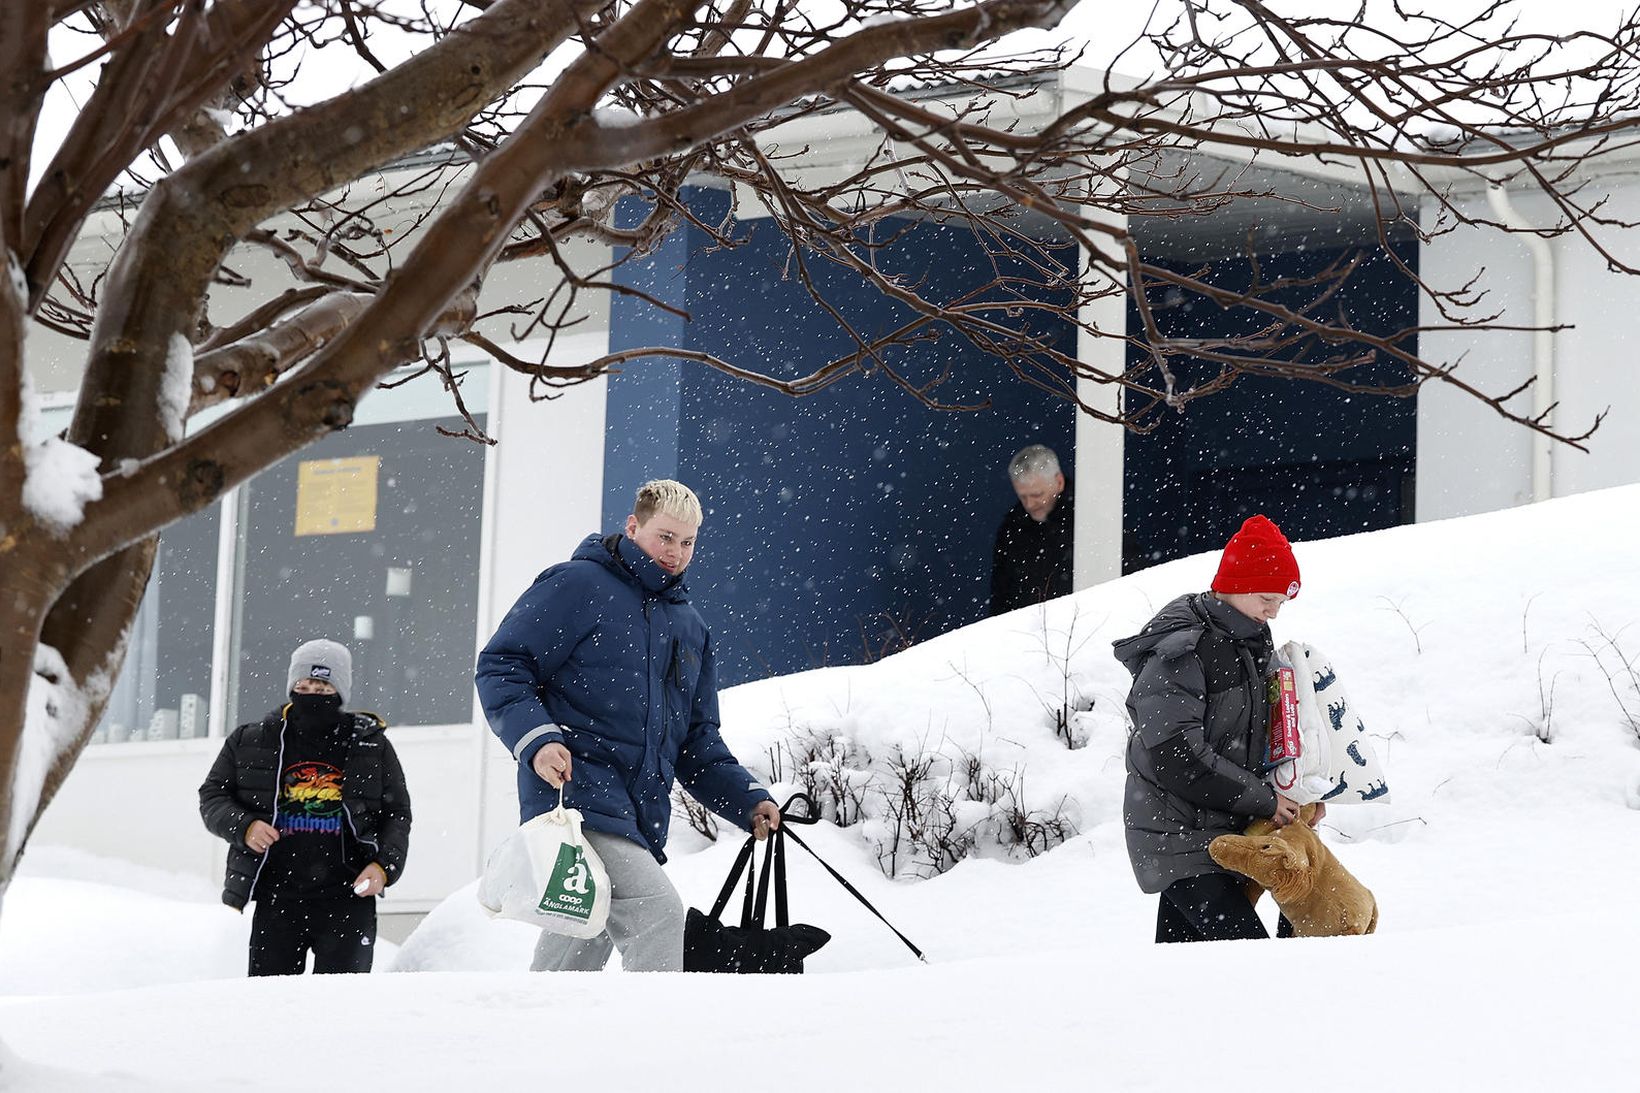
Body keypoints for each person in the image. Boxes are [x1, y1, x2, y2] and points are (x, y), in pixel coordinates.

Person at [475, 479, 780, 973]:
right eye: (664, 537)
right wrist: (537, 740)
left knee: (581, 936)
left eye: (688, 542)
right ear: (633, 526)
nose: (675, 552)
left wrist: (746, 799)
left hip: (639, 811)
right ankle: (654, 1037)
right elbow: (502, 666)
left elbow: (697, 741)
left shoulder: (691, 627)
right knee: (657, 917)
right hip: (576, 797)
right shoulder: (577, 585)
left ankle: (535, 1035)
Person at [1113, 514, 1323, 942]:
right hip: (1180, 835)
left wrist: (1299, 796)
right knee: (1248, 962)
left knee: (1189, 976)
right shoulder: (1181, 652)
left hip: (1226, 829)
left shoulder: (1251, 646)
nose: (1273, 611)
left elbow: (1266, 741)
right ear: (1236, 585)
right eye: (1267, 598)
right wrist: (1266, 800)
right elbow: (1177, 756)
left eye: (1281, 603)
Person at [199, 639, 412, 975]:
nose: (312, 693)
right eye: (305, 685)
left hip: (348, 899)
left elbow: (397, 813)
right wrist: (245, 826)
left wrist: (384, 868)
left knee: (341, 1008)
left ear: (339, 691)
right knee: (272, 1005)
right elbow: (212, 795)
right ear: (292, 686)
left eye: (323, 685)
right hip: (277, 898)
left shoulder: (371, 745)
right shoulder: (250, 739)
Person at [989, 444, 1075, 615]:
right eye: (1022, 496)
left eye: (1037, 495)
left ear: (1059, 482)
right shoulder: (1012, 529)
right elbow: (1001, 598)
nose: (1029, 504)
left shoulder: (1090, 519)